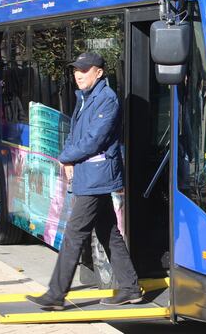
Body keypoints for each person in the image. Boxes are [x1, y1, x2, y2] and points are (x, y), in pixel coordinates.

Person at [26, 51, 142, 310]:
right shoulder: (86, 97)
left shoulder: (107, 100)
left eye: (84, 70)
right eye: (76, 69)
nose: (78, 74)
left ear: (99, 72)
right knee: (109, 233)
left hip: (97, 176)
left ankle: (55, 295)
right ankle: (130, 288)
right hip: (90, 175)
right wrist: (66, 157)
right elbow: (75, 133)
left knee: (74, 233)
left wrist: (66, 158)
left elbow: (94, 140)